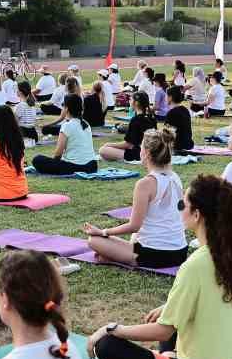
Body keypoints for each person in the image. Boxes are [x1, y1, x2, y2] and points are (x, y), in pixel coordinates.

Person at [87, 174, 232, 359]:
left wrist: (111, 329)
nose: (180, 209)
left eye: (182, 204)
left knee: (106, 346)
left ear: (196, 215)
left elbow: (163, 331)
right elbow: (214, 299)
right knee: (171, 321)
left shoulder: (195, 265)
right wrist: (169, 307)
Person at [82, 127, 186, 268]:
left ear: (147, 153)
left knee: (94, 241)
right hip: (180, 252)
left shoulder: (145, 184)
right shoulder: (175, 177)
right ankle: (119, 255)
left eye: (141, 147)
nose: (140, 150)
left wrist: (103, 232)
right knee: (134, 238)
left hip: (155, 255)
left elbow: (134, 226)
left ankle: (119, 258)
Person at [31, 94, 98, 176]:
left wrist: (55, 163)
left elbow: (58, 154)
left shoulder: (67, 126)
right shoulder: (86, 124)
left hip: (75, 167)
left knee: (37, 160)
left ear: (66, 109)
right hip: (92, 166)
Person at [100, 90, 153, 163]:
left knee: (103, 150)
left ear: (136, 103)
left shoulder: (136, 120)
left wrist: (110, 144)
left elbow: (128, 144)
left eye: (131, 99)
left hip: (138, 154)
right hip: (151, 152)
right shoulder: (151, 118)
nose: (129, 101)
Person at [163, 85, 195, 153]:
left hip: (178, 145)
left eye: (166, 96)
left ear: (170, 97)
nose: (165, 98)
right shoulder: (185, 110)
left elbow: (167, 135)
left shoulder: (171, 113)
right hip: (188, 144)